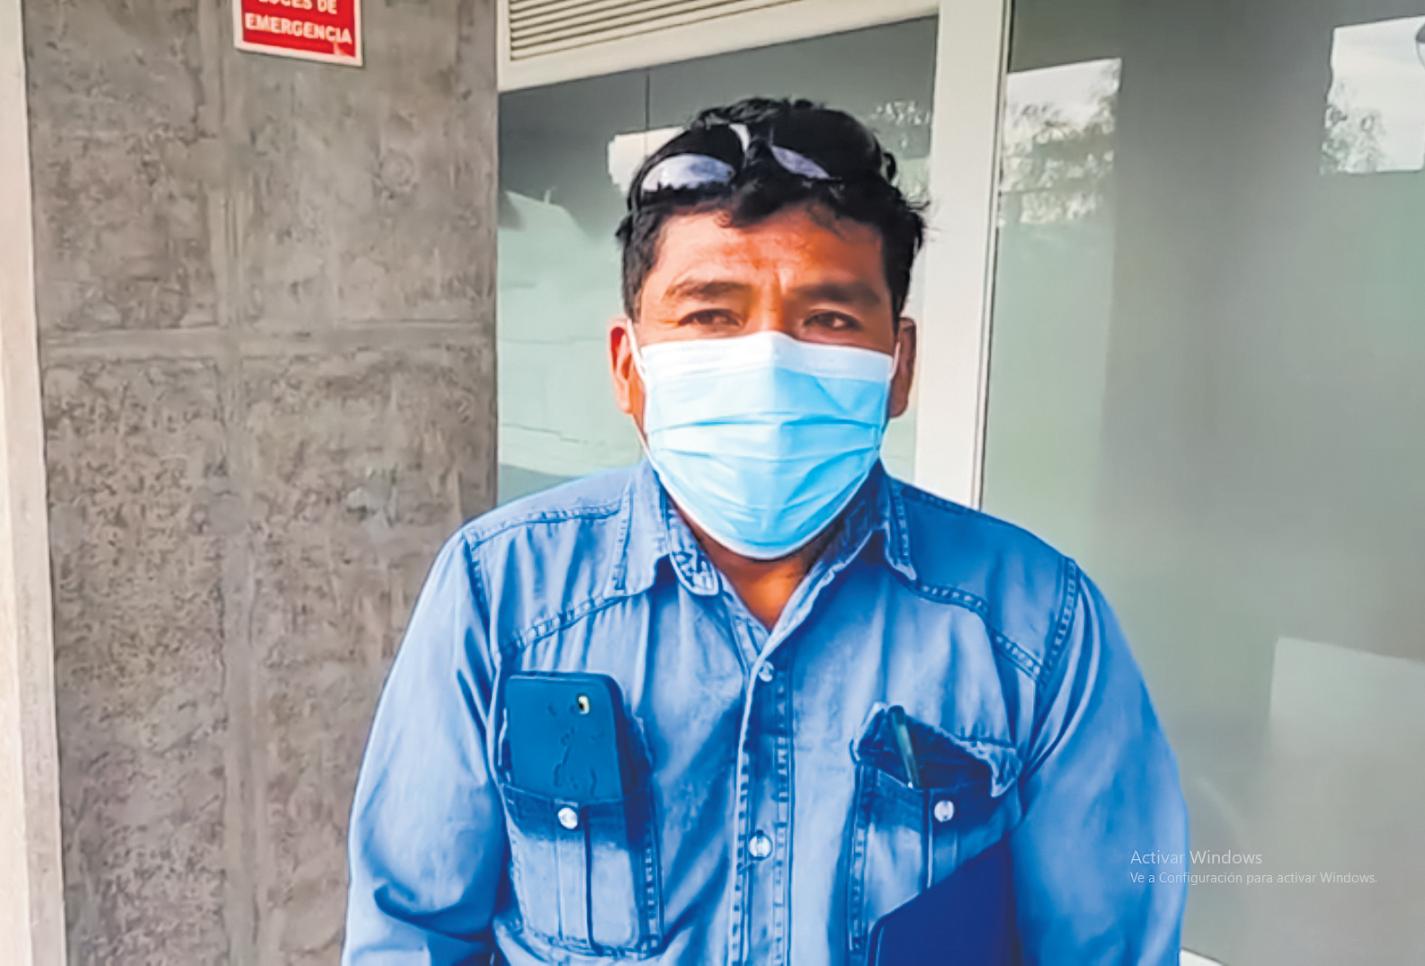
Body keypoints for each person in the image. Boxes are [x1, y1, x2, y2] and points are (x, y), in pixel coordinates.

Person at [342, 97, 1188, 965]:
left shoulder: (1037, 625)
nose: (770, 361)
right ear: (628, 369)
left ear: (898, 366)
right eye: (710, 315)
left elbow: (1106, 949)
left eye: (829, 319)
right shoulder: (503, 590)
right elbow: (411, 936)